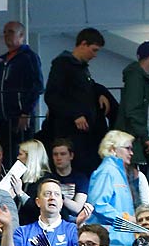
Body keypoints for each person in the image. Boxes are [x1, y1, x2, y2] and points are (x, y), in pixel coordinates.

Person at [43, 27, 113, 171]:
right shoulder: (62, 64)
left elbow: (89, 86)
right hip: (70, 132)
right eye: (94, 50)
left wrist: (100, 93)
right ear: (83, 44)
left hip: (86, 133)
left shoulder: (81, 68)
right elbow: (51, 96)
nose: (95, 55)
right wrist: (75, 114)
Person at [0, 20, 42, 162]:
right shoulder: (3, 63)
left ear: (21, 35)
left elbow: (37, 85)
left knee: (22, 153)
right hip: (4, 117)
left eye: (11, 32)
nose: (6, 35)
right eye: (5, 32)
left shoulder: (29, 57)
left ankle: (23, 183)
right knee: (6, 154)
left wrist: (26, 111)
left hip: (20, 116)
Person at [118, 41, 149, 176]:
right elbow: (134, 110)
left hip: (136, 136)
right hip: (135, 137)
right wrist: (145, 137)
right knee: (142, 176)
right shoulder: (137, 78)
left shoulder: (136, 77)